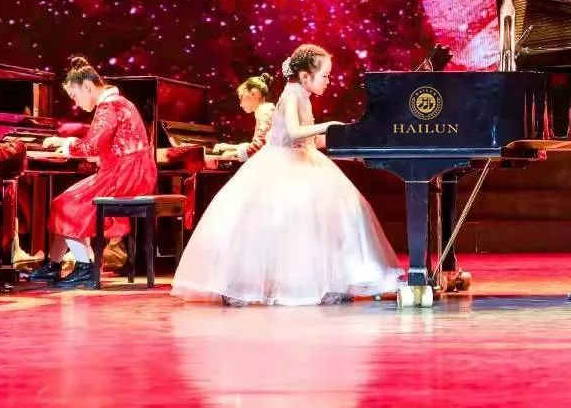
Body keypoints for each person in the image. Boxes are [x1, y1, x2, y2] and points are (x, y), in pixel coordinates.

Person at [171, 44, 401, 305]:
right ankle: (261, 285)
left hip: (303, 159)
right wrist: (328, 125)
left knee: (338, 213)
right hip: (283, 164)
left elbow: (309, 140)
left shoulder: (302, 95)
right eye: (325, 75)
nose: (328, 81)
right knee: (284, 222)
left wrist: (349, 140)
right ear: (305, 76)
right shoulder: (291, 95)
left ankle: (334, 280)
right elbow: (292, 132)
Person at [28, 56, 157, 286]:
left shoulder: (110, 105)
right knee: (65, 201)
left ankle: (85, 267)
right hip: (130, 171)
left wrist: (67, 144)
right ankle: (54, 264)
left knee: (65, 204)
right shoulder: (118, 102)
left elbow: (92, 146)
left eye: (74, 95)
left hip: (125, 175)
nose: (76, 103)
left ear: (87, 86)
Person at [212, 73, 275, 162]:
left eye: (241, 97)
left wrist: (235, 153)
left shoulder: (264, 111)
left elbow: (258, 146)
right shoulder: (266, 109)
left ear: (254, 93)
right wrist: (229, 147)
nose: (240, 104)